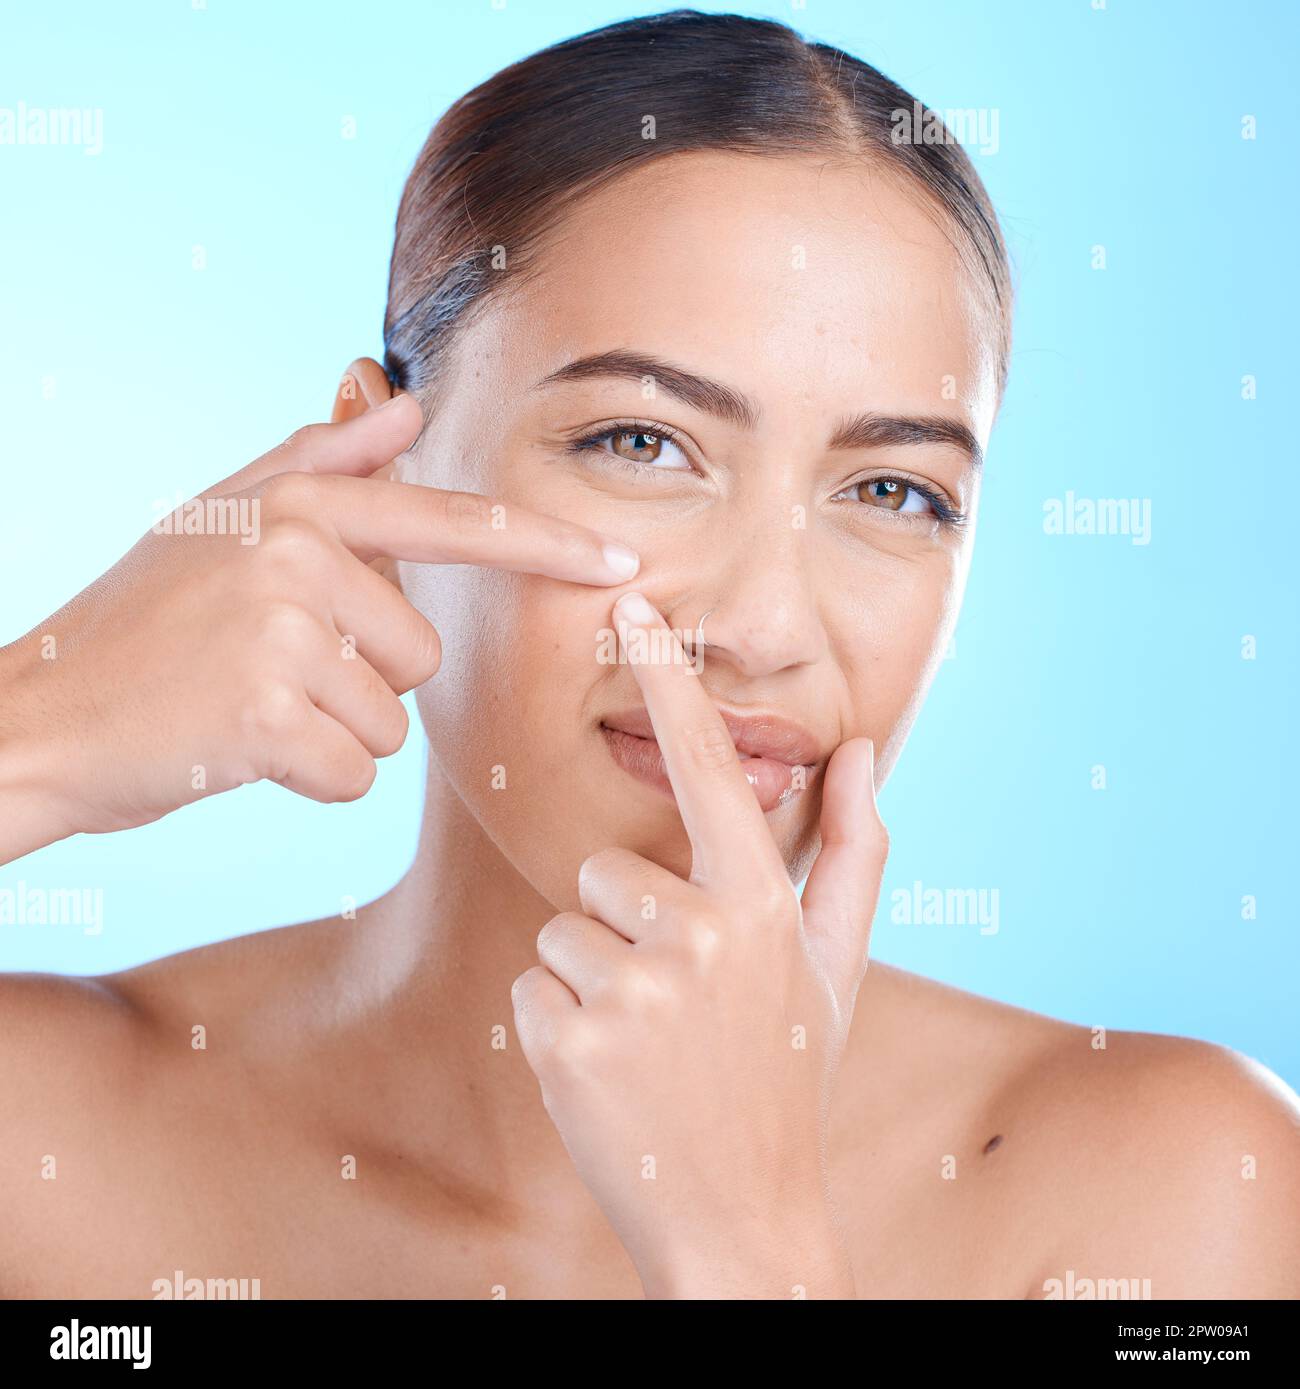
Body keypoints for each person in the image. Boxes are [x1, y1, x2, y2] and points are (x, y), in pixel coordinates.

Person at [0, 10, 1295, 1299]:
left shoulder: (1177, 1192)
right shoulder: (44, 1144)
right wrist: (38, 728)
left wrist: (746, 1247)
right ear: (379, 455)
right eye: (643, 443)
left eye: (894, 492)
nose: (764, 630)